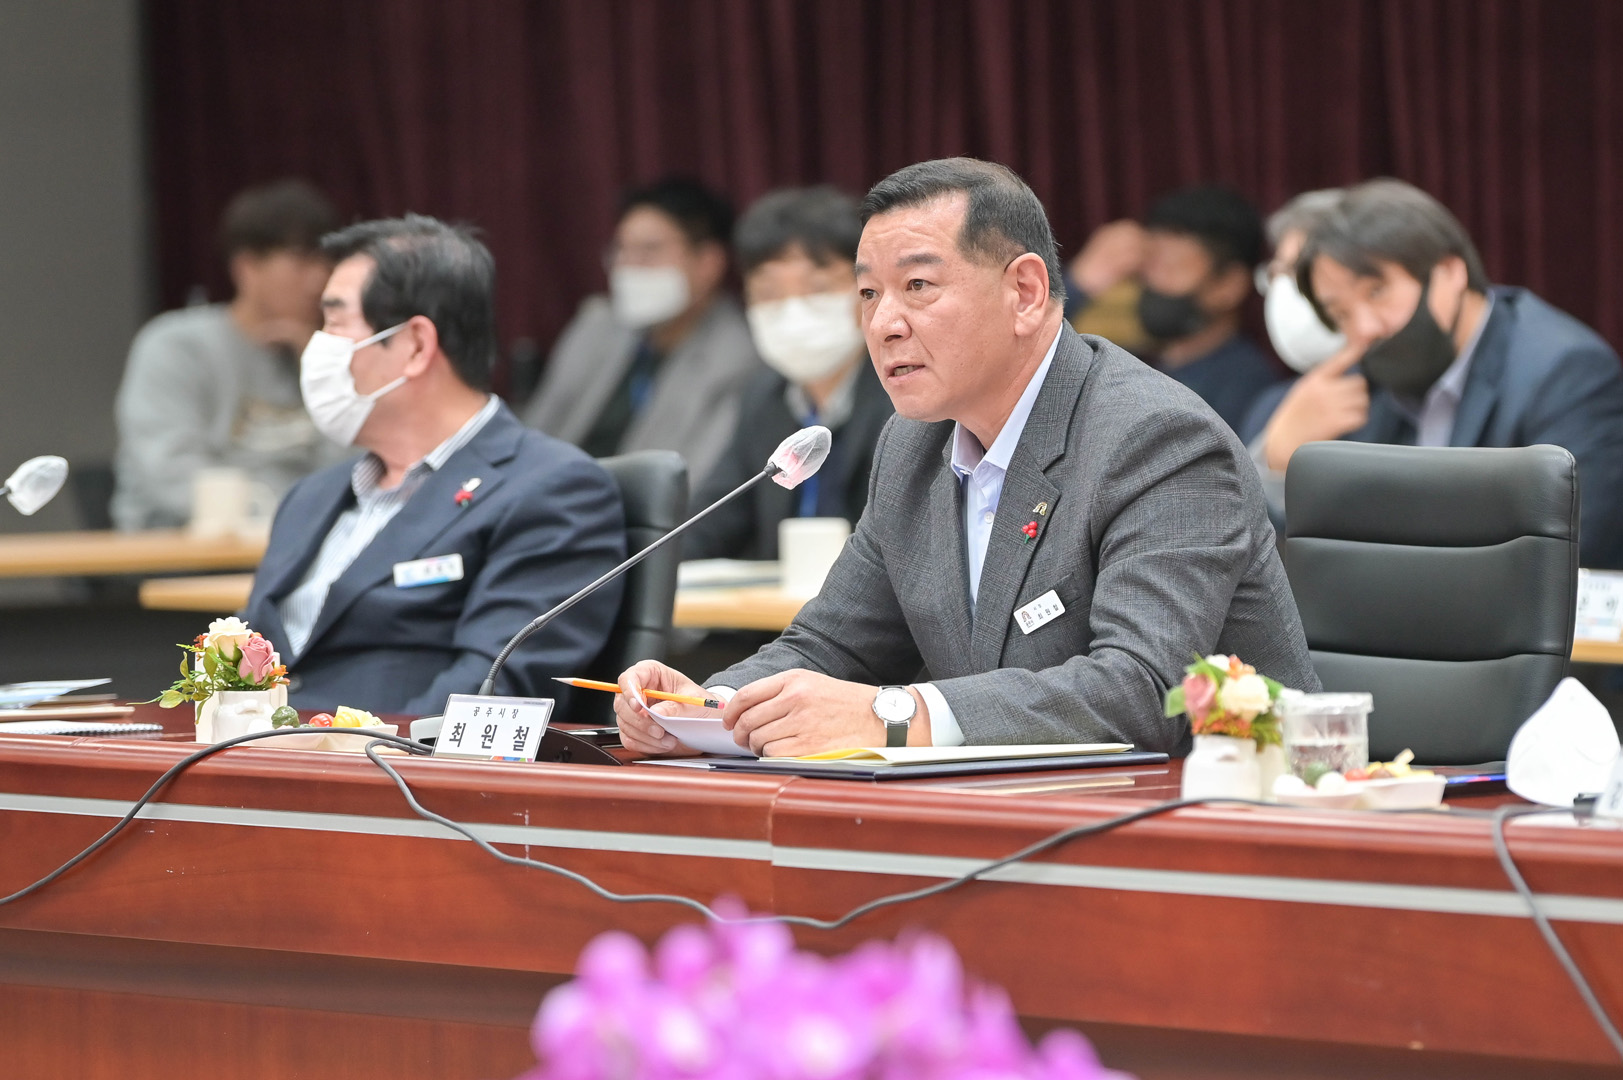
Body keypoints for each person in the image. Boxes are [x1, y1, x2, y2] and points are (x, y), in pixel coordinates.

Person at [614, 158, 1319, 759]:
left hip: (1218, 819)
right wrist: (708, 708)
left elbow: (1142, 689)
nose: (883, 323)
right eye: (868, 294)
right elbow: (833, 645)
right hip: (1010, 815)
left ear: (1025, 292)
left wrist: (891, 715)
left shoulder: (1154, 437)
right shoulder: (914, 444)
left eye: (917, 287)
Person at [244, 216, 627, 715]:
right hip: (252, 755)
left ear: (416, 346)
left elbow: (490, 691)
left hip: (389, 758)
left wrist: (338, 750)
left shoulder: (553, 489)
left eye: (335, 323)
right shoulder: (310, 497)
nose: (318, 346)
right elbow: (236, 665)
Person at [1255, 178, 1623, 570]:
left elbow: (1568, 557)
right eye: (1340, 313)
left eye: (1376, 292)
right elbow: (1295, 566)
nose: (1364, 329)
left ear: (1450, 272)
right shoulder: (1359, 385)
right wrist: (1279, 465)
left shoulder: (1564, 372)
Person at [112, 179, 349, 530]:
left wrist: (321, 369)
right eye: (301, 262)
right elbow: (170, 471)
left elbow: (358, 469)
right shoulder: (177, 346)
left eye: (326, 264)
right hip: (182, 544)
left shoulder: (332, 352)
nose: (319, 280)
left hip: (302, 540)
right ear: (247, 268)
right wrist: (279, 516)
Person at [681, 187, 893, 560]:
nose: (793, 310)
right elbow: (709, 524)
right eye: (768, 292)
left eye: (818, 288)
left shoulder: (902, 394)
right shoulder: (763, 397)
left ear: (867, 289)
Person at [524, 177, 760, 483]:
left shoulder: (737, 358)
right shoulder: (598, 325)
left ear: (708, 263)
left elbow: (694, 482)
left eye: (649, 251)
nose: (628, 266)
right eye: (621, 250)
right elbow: (537, 430)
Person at [1066, 185, 1282, 433]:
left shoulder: (1243, 384)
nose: (1152, 282)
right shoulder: (1127, 362)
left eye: (1171, 268)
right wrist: (1078, 285)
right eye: (1147, 266)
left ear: (1229, 285)